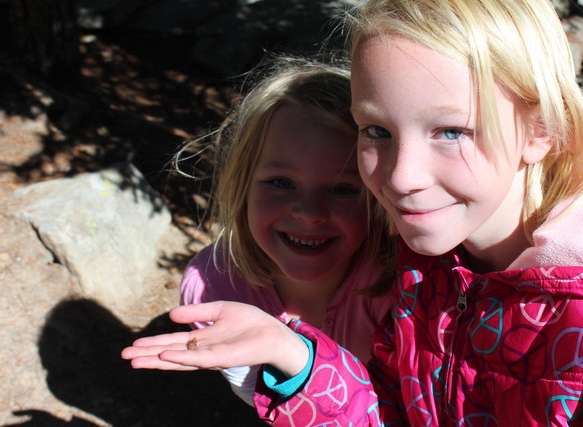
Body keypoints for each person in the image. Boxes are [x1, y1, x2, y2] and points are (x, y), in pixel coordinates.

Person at [122, 0, 583, 424]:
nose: (401, 177)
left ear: (542, 130)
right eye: (377, 131)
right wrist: (299, 360)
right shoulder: (429, 261)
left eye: (451, 132)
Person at [126, 56, 397, 406]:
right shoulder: (213, 284)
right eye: (281, 183)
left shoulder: (399, 288)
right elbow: (261, 400)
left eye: (343, 189)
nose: (309, 213)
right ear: (243, 184)